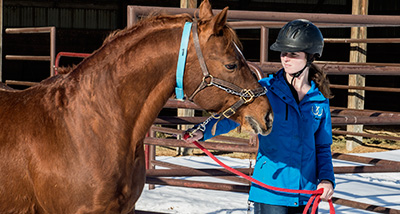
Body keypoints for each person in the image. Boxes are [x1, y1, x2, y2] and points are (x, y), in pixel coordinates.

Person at [184, 19, 335, 214]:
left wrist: (326, 179)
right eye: (283, 53)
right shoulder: (266, 89)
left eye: (293, 54)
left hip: (305, 192)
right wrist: (203, 131)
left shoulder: (319, 100)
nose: (285, 59)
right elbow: (233, 114)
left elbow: (322, 146)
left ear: (310, 57)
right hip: (271, 190)